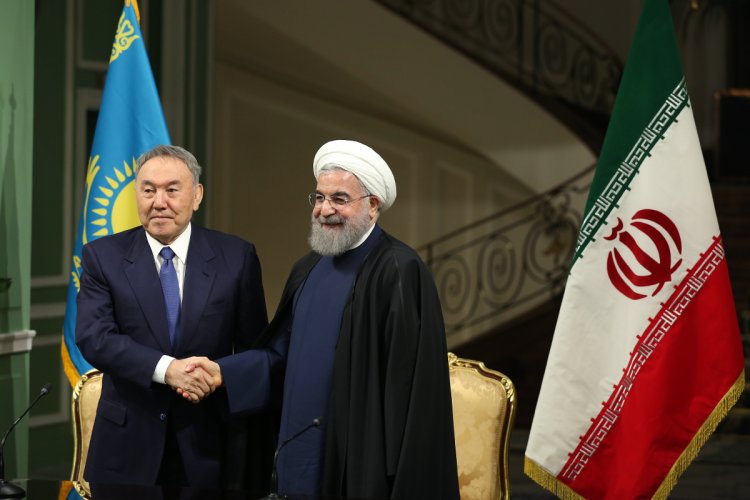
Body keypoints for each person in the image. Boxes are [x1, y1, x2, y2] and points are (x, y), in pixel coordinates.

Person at [184, 140, 459, 498]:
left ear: (373, 206)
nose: (325, 209)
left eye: (339, 199)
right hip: (296, 454)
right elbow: (280, 358)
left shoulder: (398, 270)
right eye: (319, 197)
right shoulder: (308, 267)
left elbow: (409, 393)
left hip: (360, 465)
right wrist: (223, 372)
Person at [75, 144, 268, 488]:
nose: (158, 202)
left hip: (208, 446)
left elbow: (256, 351)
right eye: (148, 190)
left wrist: (220, 373)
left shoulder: (236, 257)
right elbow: (95, 338)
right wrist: (169, 370)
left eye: (171, 190)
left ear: (197, 196)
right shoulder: (102, 257)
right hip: (126, 451)